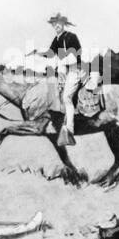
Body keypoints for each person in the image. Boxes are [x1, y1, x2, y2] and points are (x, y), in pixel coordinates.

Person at [36, 13, 87, 147]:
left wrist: (63, 63)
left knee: (66, 97)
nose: (56, 26)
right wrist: (38, 52)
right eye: (54, 24)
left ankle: (69, 129)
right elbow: (51, 53)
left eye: (58, 23)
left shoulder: (71, 37)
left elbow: (77, 54)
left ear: (63, 24)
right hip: (65, 70)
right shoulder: (57, 38)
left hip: (75, 69)